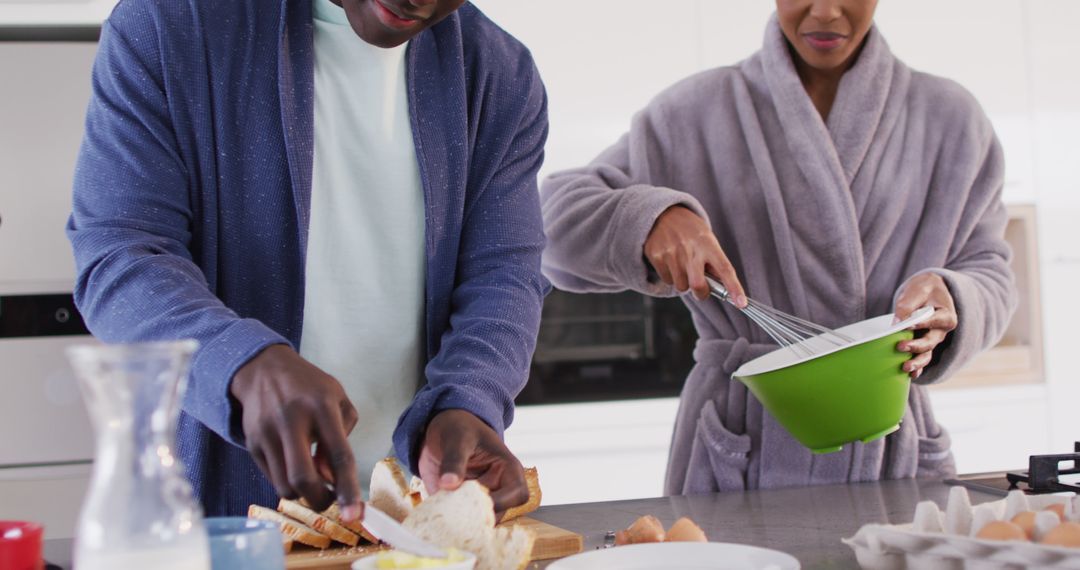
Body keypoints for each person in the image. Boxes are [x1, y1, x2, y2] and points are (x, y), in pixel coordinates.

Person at [68, 0, 548, 520]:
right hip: (213, 522)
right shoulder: (169, 24)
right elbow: (120, 256)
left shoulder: (500, 73)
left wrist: (470, 397)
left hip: (413, 521)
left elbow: (504, 276)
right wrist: (242, 363)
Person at [540, 0, 1016, 494]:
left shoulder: (951, 120)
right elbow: (552, 225)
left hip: (892, 455)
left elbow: (991, 271)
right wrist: (649, 219)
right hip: (741, 454)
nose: (826, 12)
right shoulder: (693, 112)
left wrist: (952, 297)